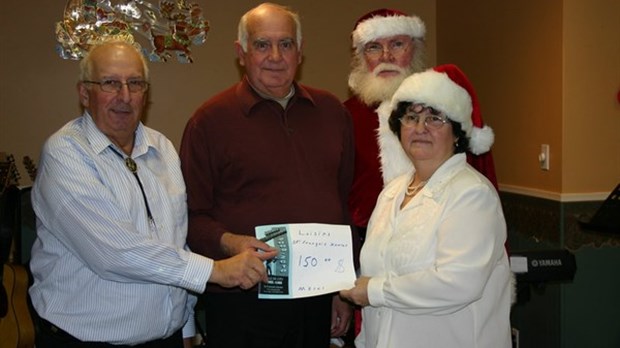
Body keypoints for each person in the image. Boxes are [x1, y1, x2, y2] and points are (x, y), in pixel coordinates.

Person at [28, 37, 277, 348]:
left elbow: (176, 239)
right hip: (84, 341)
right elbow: (115, 252)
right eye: (110, 83)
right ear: (84, 92)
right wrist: (215, 270)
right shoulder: (65, 154)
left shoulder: (161, 148)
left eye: (135, 83)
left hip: (165, 338)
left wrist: (185, 326)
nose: (125, 96)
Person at [179, 3, 356, 347]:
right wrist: (232, 242)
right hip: (242, 301)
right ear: (241, 53)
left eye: (286, 44)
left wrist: (342, 289)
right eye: (262, 45)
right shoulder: (210, 121)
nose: (275, 56)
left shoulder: (333, 112)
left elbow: (341, 205)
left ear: (300, 52)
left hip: (317, 298)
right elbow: (190, 217)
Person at [340, 64, 512, 348]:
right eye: (411, 117)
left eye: (435, 118)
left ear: (457, 133)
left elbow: (457, 283)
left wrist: (374, 291)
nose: (420, 128)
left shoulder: (471, 195)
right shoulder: (392, 193)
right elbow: (376, 269)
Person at [345, 9, 499, 244]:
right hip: (367, 244)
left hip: (444, 239)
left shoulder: (445, 106)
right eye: (374, 47)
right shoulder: (344, 116)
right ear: (361, 56)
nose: (386, 56)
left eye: (397, 44)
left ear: (415, 49)